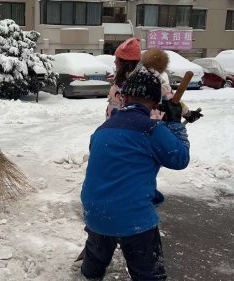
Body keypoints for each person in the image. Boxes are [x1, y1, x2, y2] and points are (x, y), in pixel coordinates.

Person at [80, 64, 191, 280]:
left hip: (94, 211)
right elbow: (179, 159)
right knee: (148, 272)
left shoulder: (103, 129)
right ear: (155, 101)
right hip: (132, 216)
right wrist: (176, 125)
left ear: (124, 98)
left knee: (95, 260)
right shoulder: (152, 129)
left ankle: (89, 273)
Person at [106, 37, 141, 118]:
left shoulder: (133, 84)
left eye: (117, 59)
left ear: (125, 62)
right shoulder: (124, 80)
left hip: (122, 127)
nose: (115, 61)